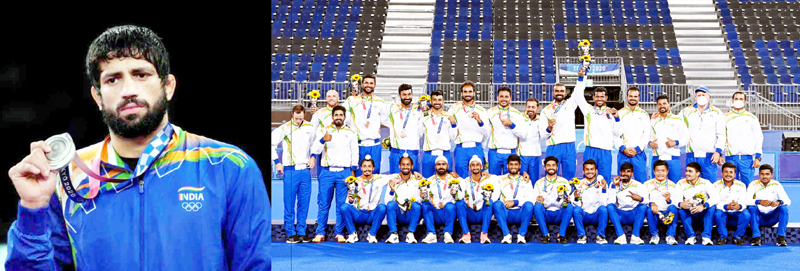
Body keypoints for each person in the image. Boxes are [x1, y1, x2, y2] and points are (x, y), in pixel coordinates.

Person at [5, 25, 269, 270]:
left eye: (141, 74)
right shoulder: (67, 180)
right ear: (97, 97)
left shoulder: (229, 167)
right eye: (112, 80)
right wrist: (32, 207)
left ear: (168, 86)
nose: (128, 89)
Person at [310, 105, 359, 243]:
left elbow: (355, 152)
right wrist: (322, 140)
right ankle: (320, 232)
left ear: (344, 117)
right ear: (332, 117)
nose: (338, 117)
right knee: (323, 204)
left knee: (341, 205)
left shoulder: (350, 133)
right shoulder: (324, 131)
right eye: (336, 115)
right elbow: (315, 150)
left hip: (344, 172)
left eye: (341, 115)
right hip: (327, 172)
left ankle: (339, 233)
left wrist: (352, 173)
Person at [272, 105, 317, 243]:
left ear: (304, 115)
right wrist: (277, 162)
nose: (298, 121)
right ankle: (290, 233)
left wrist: (313, 156)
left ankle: (302, 232)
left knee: (304, 203)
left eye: (301, 118)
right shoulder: (285, 128)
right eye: (296, 118)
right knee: (289, 202)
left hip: (305, 170)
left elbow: (316, 143)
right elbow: (271, 143)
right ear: (292, 114)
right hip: (290, 169)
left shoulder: (310, 127)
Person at [574, 68, 619, 183]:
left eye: (602, 96)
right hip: (590, 149)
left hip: (606, 151)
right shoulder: (588, 110)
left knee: (605, 180)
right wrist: (581, 78)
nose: (599, 99)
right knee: (588, 179)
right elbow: (578, 96)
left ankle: (606, 200)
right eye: (597, 96)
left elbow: (618, 133)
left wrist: (617, 118)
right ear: (593, 98)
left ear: (606, 98)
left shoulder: (612, 112)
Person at [539, 75, 587, 180]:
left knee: (570, 176)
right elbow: (542, 135)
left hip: (569, 146)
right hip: (553, 147)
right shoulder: (545, 111)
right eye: (557, 91)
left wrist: (582, 76)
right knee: (550, 176)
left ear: (565, 93)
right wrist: (549, 128)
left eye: (561, 91)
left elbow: (579, 90)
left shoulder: (570, 105)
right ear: (553, 93)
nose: (559, 93)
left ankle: (569, 196)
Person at [344, 74, 390, 176]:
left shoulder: (380, 101)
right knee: (358, 177)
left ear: (375, 85)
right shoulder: (351, 100)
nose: (368, 85)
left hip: (375, 145)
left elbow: (386, 121)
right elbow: (341, 117)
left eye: (371, 83)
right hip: (358, 145)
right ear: (362, 84)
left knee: (375, 175)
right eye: (366, 83)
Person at [679, 86, 725, 181]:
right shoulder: (686, 112)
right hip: (692, 155)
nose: (701, 97)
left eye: (703, 95)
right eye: (699, 95)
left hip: (709, 157)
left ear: (708, 96)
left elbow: (721, 134)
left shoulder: (717, 112)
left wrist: (718, 152)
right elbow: (674, 122)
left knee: (710, 186)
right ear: (695, 97)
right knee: (691, 186)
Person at [340, 156, 389, 243]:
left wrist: (415, 175)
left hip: (372, 214)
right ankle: (352, 234)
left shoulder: (379, 178)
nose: (367, 169)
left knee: (382, 207)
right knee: (344, 207)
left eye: (369, 166)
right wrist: (351, 200)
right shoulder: (355, 181)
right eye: (365, 166)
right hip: (359, 214)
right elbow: (348, 203)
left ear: (373, 168)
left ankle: (372, 235)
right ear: (361, 168)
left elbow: (397, 176)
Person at [447, 81, 490, 178]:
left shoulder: (481, 110)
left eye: (470, 91)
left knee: (479, 177)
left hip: (476, 147)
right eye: (465, 92)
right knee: (460, 178)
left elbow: (487, 132)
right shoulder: (453, 108)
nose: (467, 94)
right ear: (461, 93)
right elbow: (451, 133)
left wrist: (479, 120)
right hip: (460, 148)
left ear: (474, 93)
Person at [455, 155, 499, 244]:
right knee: (459, 203)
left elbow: (502, 178)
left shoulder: (488, 180)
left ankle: (484, 235)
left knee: (489, 201)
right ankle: (466, 235)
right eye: (473, 165)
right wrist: (455, 193)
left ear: (481, 167)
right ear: (470, 167)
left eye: (477, 165)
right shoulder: (465, 181)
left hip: (482, 213)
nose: (475, 167)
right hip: (470, 213)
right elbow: (459, 196)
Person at [493, 155, 535, 244]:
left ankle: (521, 236)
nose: (513, 166)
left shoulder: (526, 180)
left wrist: (515, 202)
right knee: (496, 204)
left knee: (529, 205)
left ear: (520, 166)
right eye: (511, 164)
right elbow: (494, 195)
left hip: (520, 213)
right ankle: (506, 235)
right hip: (506, 213)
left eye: (516, 164)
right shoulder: (500, 179)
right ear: (507, 165)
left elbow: (531, 199)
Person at [723, 91, 764, 186]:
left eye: (741, 99)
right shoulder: (725, 118)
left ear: (745, 102)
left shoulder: (752, 117)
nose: (738, 101)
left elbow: (759, 137)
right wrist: (720, 153)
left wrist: (758, 157)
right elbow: (721, 137)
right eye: (736, 99)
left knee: (749, 187)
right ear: (732, 101)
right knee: (730, 186)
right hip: (730, 158)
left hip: (747, 159)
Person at [486, 87, 528, 175]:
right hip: (494, 152)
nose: (504, 99)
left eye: (506, 96)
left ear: (510, 98)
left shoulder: (517, 114)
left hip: (511, 152)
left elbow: (523, 134)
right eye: (501, 96)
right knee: (493, 180)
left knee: (510, 181)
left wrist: (511, 124)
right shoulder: (489, 112)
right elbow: (485, 132)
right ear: (497, 98)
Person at [384, 154, 425, 244]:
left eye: (408, 164)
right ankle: (393, 234)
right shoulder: (393, 179)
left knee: (417, 205)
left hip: (411, 214)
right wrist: (392, 190)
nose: (405, 167)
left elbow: (430, 183)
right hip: (399, 214)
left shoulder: (418, 179)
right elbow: (387, 201)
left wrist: (422, 197)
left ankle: (410, 234)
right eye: (403, 164)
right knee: (391, 204)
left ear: (412, 166)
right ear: (399, 166)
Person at [532, 156, 574, 244]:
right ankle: (545, 235)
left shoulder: (564, 181)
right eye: (548, 165)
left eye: (553, 165)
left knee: (569, 207)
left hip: (559, 213)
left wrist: (568, 199)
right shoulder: (539, 182)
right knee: (537, 206)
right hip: (546, 213)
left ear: (557, 167)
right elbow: (533, 200)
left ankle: (561, 235)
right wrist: (537, 200)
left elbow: (571, 199)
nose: (551, 167)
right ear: (544, 167)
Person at [676, 162, 719, 246]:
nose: (687, 173)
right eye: (686, 171)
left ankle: (706, 237)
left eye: (690, 171)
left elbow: (716, 197)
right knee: (681, 210)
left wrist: (703, 206)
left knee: (711, 208)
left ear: (698, 173)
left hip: (703, 214)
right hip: (689, 213)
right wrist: (681, 204)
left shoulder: (706, 183)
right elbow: (675, 199)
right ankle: (690, 236)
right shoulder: (680, 183)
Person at [747, 164, 791, 246]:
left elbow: (787, 200)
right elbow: (746, 201)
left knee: (784, 208)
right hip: (759, 217)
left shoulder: (776, 184)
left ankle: (781, 238)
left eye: (767, 174)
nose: (764, 176)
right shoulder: (753, 184)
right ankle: (756, 238)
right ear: (759, 174)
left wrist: (778, 202)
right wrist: (759, 201)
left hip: (772, 218)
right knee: (752, 208)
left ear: (771, 175)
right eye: (762, 174)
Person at [648, 95, 688, 183]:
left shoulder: (678, 119)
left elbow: (686, 138)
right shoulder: (653, 121)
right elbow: (647, 137)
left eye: (664, 103)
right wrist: (650, 143)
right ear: (657, 106)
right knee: (655, 185)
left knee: (675, 185)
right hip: (657, 157)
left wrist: (675, 142)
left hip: (673, 158)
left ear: (669, 104)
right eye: (659, 104)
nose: (662, 106)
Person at [607, 162, 648, 245]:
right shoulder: (614, 184)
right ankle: (621, 236)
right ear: (620, 173)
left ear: (632, 173)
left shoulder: (638, 185)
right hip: (620, 214)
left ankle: (635, 237)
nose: (625, 174)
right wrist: (614, 186)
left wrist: (639, 198)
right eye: (623, 171)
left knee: (643, 207)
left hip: (633, 214)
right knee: (610, 207)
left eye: (628, 171)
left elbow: (647, 200)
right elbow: (610, 201)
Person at [420, 156, 459, 244]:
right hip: (435, 213)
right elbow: (425, 197)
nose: (441, 166)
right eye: (438, 164)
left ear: (447, 166)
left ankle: (448, 234)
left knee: (450, 206)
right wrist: (422, 196)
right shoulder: (429, 180)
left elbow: (460, 196)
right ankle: (431, 234)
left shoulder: (455, 180)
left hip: (448, 213)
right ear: (435, 166)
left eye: (443, 164)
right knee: (425, 205)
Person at [420, 90, 458, 178]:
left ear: (443, 101)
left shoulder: (449, 116)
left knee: (446, 183)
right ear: (431, 101)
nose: (437, 102)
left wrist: (453, 125)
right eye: (435, 100)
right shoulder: (424, 116)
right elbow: (419, 133)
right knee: (426, 183)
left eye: (439, 100)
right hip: (429, 155)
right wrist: (420, 114)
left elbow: (453, 137)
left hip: (445, 154)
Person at [616, 87, 650, 183]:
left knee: (642, 182)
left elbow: (646, 134)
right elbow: (615, 134)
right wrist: (623, 149)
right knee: (622, 182)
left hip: (638, 154)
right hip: (624, 154)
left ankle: (643, 198)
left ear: (639, 98)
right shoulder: (619, 113)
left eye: (635, 96)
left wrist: (637, 149)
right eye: (631, 96)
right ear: (627, 97)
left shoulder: (644, 115)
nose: (633, 98)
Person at [572, 159, 610, 244]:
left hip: (596, 215)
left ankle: (600, 236)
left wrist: (604, 189)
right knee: (576, 210)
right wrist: (575, 198)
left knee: (603, 209)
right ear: (583, 171)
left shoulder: (602, 183)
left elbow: (603, 203)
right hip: (584, 215)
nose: (589, 171)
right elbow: (576, 204)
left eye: (592, 169)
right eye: (587, 169)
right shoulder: (578, 184)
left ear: (596, 171)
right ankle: (581, 235)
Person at [387, 84, 423, 173]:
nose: (407, 97)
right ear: (399, 95)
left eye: (409, 94)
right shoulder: (392, 109)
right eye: (404, 94)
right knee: (395, 181)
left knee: (415, 183)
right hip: (396, 152)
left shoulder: (418, 110)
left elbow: (422, 131)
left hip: (413, 152)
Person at [643, 160, 680, 245]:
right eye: (657, 170)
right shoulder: (647, 184)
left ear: (667, 171)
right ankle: (654, 235)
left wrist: (668, 200)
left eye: (663, 170)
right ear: (654, 172)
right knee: (649, 209)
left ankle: (670, 235)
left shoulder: (673, 186)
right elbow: (644, 199)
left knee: (673, 208)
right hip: (654, 213)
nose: (660, 173)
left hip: (667, 214)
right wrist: (651, 203)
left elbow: (676, 202)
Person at [713, 162, 750, 246]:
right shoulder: (715, 185)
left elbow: (744, 202)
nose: (728, 174)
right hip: (723, 214)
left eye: (731, 172)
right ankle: (723, 237)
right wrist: (726, 207)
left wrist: (738, 206)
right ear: (722, 173)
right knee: (718, 213)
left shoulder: (741, 185)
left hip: (736, 214)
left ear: (735, 174)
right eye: (726, 172)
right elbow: (715, 202)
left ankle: (738, 237)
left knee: (746, 214)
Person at [516, 97, 550, 180]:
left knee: (535, 183)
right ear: (525, 107)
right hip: (521, 155)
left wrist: (549, 128)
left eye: (533, 107)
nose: (530, 109)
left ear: (537, 108)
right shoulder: (519, 118)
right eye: (529, 107)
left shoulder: (541, 119)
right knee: (522, 182)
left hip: (535, 155)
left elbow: (543, 137)